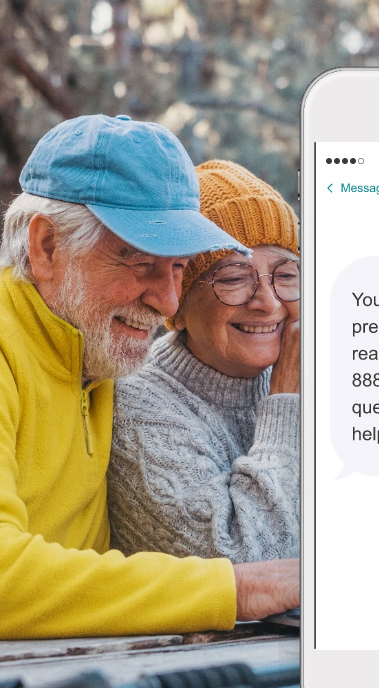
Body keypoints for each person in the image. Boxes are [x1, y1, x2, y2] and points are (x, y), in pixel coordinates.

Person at [0, 115, 299, 644]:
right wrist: (236, 589)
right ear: (45, 247)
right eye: (138, 262)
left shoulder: (99, 367)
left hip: (58, 680)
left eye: (177, 268)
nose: (168, 300)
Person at [108, 161, 299, 562]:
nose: (267, 303)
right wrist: (286, 403)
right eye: (233, 278)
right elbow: (251, 564)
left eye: (286, 275)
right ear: (177, 305)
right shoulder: (137, 409)